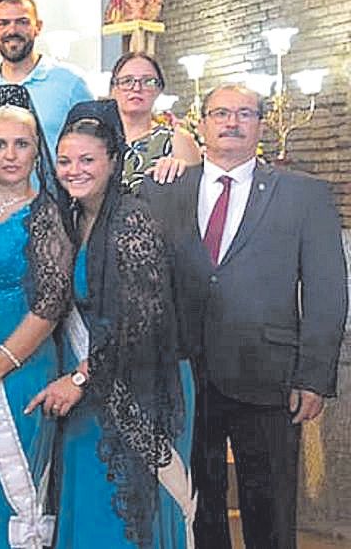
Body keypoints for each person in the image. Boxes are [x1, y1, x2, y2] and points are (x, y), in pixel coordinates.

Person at [141, 85, 346, 549]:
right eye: (220, 113)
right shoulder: (163, 190)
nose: (231, 122)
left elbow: (326, 291)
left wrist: (313, 377)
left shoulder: (303, 195)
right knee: (199, 507)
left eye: (244, 114)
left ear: (261, 124)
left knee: (270, 510)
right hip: (185, 376)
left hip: (270, 377)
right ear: (202, 123)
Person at [30, 99, 195, 548]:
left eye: (87, 160)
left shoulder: (132, 220)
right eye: (64, 160)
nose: (74, 170)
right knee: (86, 509)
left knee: (120, 517)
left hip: (133, 388)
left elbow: (140, 324)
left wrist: (81, 377)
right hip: (89, 386)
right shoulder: (74, 217)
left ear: (112, 161)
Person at [0, 85, 73, 549]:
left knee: (19, 495)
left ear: (36, 149)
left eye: (21, 144)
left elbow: (51, 304)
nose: (10, 155)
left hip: (20, 371)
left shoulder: (46, 215)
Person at [0, 0, 92, 153]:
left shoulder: (71, 83)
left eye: (22, 22)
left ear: (38, 27)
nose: (12, 30)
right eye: (3, 23)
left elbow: (93, 147)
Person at [107, 52, 200, 188]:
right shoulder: (97, 139)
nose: (137, 88)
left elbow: (193, 198)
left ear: (159, 89)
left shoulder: (177, 140)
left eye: (148, 81)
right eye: (127, 81)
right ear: (114, 88)